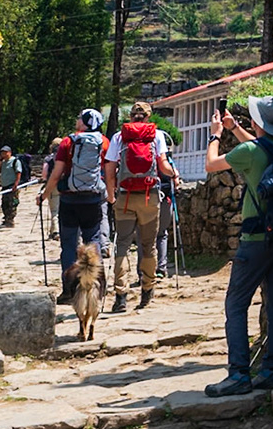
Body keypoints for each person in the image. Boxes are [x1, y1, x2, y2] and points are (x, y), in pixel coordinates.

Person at [203, 96, 273, 396]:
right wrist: (235, 128)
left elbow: (211, 165)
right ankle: (271, 370)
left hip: (256, 239)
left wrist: (216, 135)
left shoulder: (249, 152)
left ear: (257, 123)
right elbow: (263, 148)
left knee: (236, 303)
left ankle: (238, 375)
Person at [104, 101, 177, 312]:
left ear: (131, 116)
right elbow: (163, 165)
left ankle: (121, 296)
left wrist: (111, 195)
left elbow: (110, 169)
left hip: (125, 197)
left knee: (122, 244)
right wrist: (174, 174)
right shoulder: (157, 136)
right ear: (148, 116)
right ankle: (147, 291)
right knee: (148, 245)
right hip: (149, 196)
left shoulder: (119, 137)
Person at [38, 108, 109, 305]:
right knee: (93, 241)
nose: (77, 120)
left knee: (69, 245)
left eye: (79, 118)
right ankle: (97, 287)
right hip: (93, 200)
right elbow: (109, 171)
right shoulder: (104, 142)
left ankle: (69, 291)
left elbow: (56, 174)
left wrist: (44, 195)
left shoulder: (68, 142)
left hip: (69, 200)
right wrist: (110, 194)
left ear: (84, 122)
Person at [0, 146, 24, 227]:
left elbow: (18, 172)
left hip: (12, 185)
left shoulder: (15, 161)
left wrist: (16, 184)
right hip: (4, 186)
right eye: (2, 153)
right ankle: (6, 219)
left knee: (12, 204)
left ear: (10, 152)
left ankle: (10, 221)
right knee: (4, 204)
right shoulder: (3, 162)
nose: (4, 154)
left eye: (5, 152)